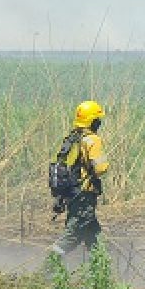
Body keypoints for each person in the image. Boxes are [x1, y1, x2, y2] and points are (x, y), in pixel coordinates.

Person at [47, 100, 110, 260]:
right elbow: (100, 168)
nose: (100, 123)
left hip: (73, 194)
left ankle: (101, 272)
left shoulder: (73, 138)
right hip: (84, 195)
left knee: (94, 237)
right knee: (73, 234)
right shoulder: (92, 139)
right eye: (98, 120)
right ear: (93, 121)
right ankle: (48, 267)